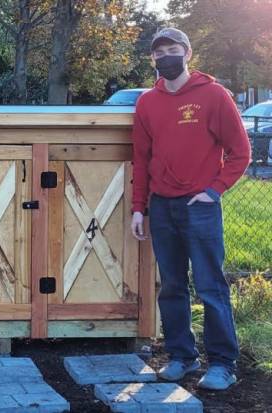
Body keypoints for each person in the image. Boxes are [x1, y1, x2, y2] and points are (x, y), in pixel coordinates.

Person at [129, 28, 251, 391]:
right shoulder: (147, 103)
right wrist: (140, 208)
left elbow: (240, 153)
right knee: (171, 286)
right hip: (162, 207)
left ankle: (222, 364)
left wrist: (213, 192)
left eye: (173, 49)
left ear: (187, 53)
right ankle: (182, 355)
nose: (166, 56)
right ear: (152, 59)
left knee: (211, 286)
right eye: (159, 52)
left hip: (200, 207)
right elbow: (141, 158)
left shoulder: (213, 96)